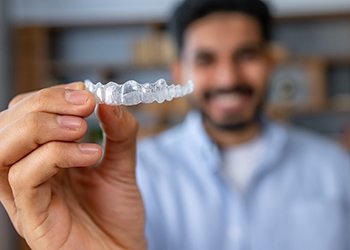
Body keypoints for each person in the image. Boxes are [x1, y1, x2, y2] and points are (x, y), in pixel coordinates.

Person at [0, 0, 349, 250]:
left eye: (246, 55)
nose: (228, 77)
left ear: (270, 62)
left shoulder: (336, 168)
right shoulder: (128, 177)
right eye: (206, 59)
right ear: (178, 72)